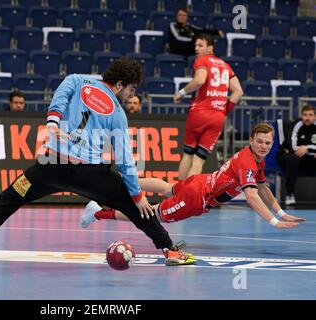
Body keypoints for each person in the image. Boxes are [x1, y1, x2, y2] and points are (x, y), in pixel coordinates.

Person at [0, 58, 195, 266]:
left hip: (51, 166)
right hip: (91, 174)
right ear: (119, 85)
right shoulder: (118, 113)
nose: (130, 96)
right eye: (130, 90)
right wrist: (137, 194)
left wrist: (53, 122)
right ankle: (170, 251)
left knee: (8, 198)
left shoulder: (76, 79)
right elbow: (123, 158)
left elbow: (60, 98)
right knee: (136, 208)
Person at [80, 123, 305, 232]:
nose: (264, 146)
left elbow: (263, 188)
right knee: (153, 215)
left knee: (168, 188)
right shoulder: (248, 161)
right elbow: (252, 196)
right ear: (251, 140)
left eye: (268, 143)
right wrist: (275, 222)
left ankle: (120, 180)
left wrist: (282, 212)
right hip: (198, 196)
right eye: (260, 141)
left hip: (201, 181)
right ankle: (98, 213)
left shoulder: (257, 158)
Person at [174, 34, 244, 181]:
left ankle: (178, 194)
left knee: (188, 154)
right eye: (195, 45)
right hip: (218, 116)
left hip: (199, 112)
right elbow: (238, 91)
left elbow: (199, 80)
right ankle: (189, 196)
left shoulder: (202, 60)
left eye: (200, 45)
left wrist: (181, 92)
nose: (196, 48)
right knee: (199, 160)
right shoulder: (225, 66)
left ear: (210, 48)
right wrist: (225, 110)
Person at [277, 105, 316, 205]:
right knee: (292, 158)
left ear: (315, 117)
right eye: (305, 115)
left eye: (310, 115)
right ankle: (290, 194)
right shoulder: (297, 125)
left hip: (310, 157)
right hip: (297, 156)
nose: (307, 117)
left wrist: (307, 148)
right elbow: (293, 146)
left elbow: (305, 149)